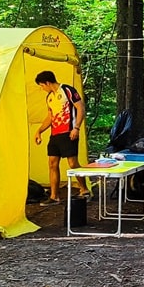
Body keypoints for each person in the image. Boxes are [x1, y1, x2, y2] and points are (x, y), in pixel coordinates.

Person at [34, 71, 89, 201]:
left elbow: (80, 107)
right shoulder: (49, 97)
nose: (42, 88)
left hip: (69, 132)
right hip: (55, 134)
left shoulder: (67, 90)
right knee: (52, 163)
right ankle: (54, 196)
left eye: (42, 85)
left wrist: (76, 127)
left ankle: (84, 189)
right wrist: (39, 131)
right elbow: (50, 117)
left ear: (48, 83)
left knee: (72, 163)